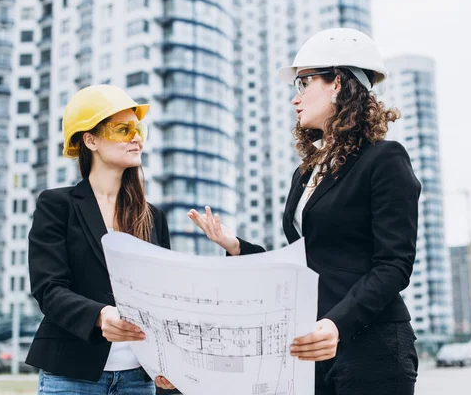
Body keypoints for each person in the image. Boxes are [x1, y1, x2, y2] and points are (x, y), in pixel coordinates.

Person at [188, 28, 421, 395]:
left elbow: (394, 264)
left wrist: (338, 324)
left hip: (371, 344)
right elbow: (301, 263)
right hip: (314, 344)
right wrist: (235, 246)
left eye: (304, 83)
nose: (295, 99)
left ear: (338, 83)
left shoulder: (384, 160)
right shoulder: (306, 172)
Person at [26, 85, 175, 394]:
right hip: (70, 374)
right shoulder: (57, 205)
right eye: (123, 129)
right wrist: (100, 315)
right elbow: (48, 289)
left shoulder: (153, 216)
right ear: (90, 140)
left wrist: (170, 362)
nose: (137, 138)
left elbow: (164, 299)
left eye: (138, 128)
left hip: (138, 378)